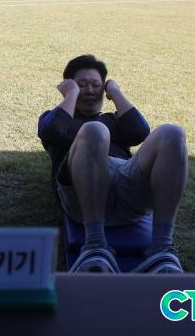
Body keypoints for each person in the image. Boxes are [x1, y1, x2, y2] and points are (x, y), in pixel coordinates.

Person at [38, 55, 187, 274]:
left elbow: (140, 131)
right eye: (82, 85)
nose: (90, 90)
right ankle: (95, 246)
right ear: (69, 87)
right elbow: (51, 131)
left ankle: (162, 250)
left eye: (96, 85)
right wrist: (71, 94)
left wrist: (115, 92)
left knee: (172, 133)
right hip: (81, 194)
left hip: (126, 187)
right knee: (95, 130)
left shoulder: (115, 120)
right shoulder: (58, 118)